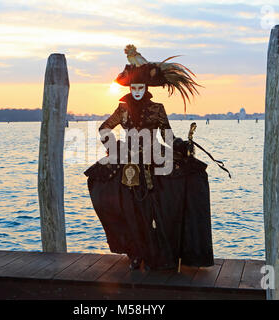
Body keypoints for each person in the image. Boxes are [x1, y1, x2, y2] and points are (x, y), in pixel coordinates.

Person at [85, 45, 221, 270]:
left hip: (154, 159)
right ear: (130, 88)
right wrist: (114, 147)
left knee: (155, 208)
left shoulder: (158, 108)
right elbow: (104, 128)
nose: (137, 90)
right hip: (127, 162)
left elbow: (167, 134)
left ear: (146, 88)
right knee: (128, 208)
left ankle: (158, 252)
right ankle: (135, 253)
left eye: (141, 86)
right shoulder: (122, 109)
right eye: (134, 87)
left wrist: (179, 145)